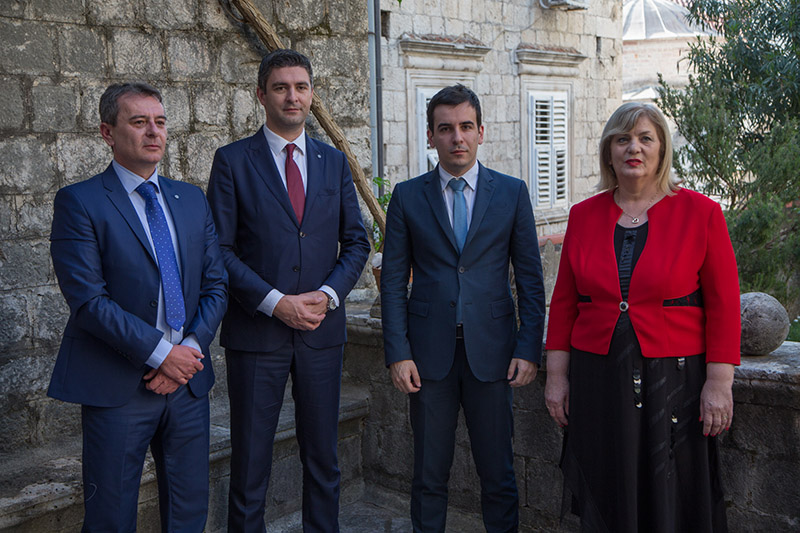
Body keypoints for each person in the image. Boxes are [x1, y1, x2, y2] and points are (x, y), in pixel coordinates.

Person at [544, 102, 740, 532]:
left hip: (674, 381)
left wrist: (719, 383)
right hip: (598, 378)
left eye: (645, 138)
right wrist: (556, 378)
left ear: (662, 148)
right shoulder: (583, 216)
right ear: (609, 151)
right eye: (623, 139)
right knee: (608, 482)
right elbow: (564, 305)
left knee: (670, 488)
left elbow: (724, 306)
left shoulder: (702, 213)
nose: (634, 148)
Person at [48, 82, 228, 531]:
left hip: (188, 384)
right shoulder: (80, 202)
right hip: (117, 387)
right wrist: (161, 354)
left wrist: (187, 353)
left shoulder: (191, 199)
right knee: (111, 518)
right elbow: (89, 301)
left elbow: (216, 285)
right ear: (107, 132)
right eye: (139, 121)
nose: (154, 132)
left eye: (160, 122)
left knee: (189, 516)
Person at [206, 49, 370, 533]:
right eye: (280, 87)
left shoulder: (333, 162)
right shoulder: (233, 161)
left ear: (312, 95)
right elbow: (218, 250)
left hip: (321, 332)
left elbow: (356, 242)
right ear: (262, 95)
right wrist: (275, 303)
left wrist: (329, 295)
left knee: (323, 459)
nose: (292, 96)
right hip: (257, 334)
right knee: (250, 462)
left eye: (300, 87)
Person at [381, 84, 546, 533]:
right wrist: (398, 353)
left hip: (493, 355)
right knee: (428, 475)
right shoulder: (407, 197)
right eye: (446, 128)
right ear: (431, 136)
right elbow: (392, 283)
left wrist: (528, 348)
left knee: (499, 474)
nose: (457, 137)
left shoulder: (511, 193)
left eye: (466, 127)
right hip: (427, 358)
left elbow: (530, 280)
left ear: (481, 132)